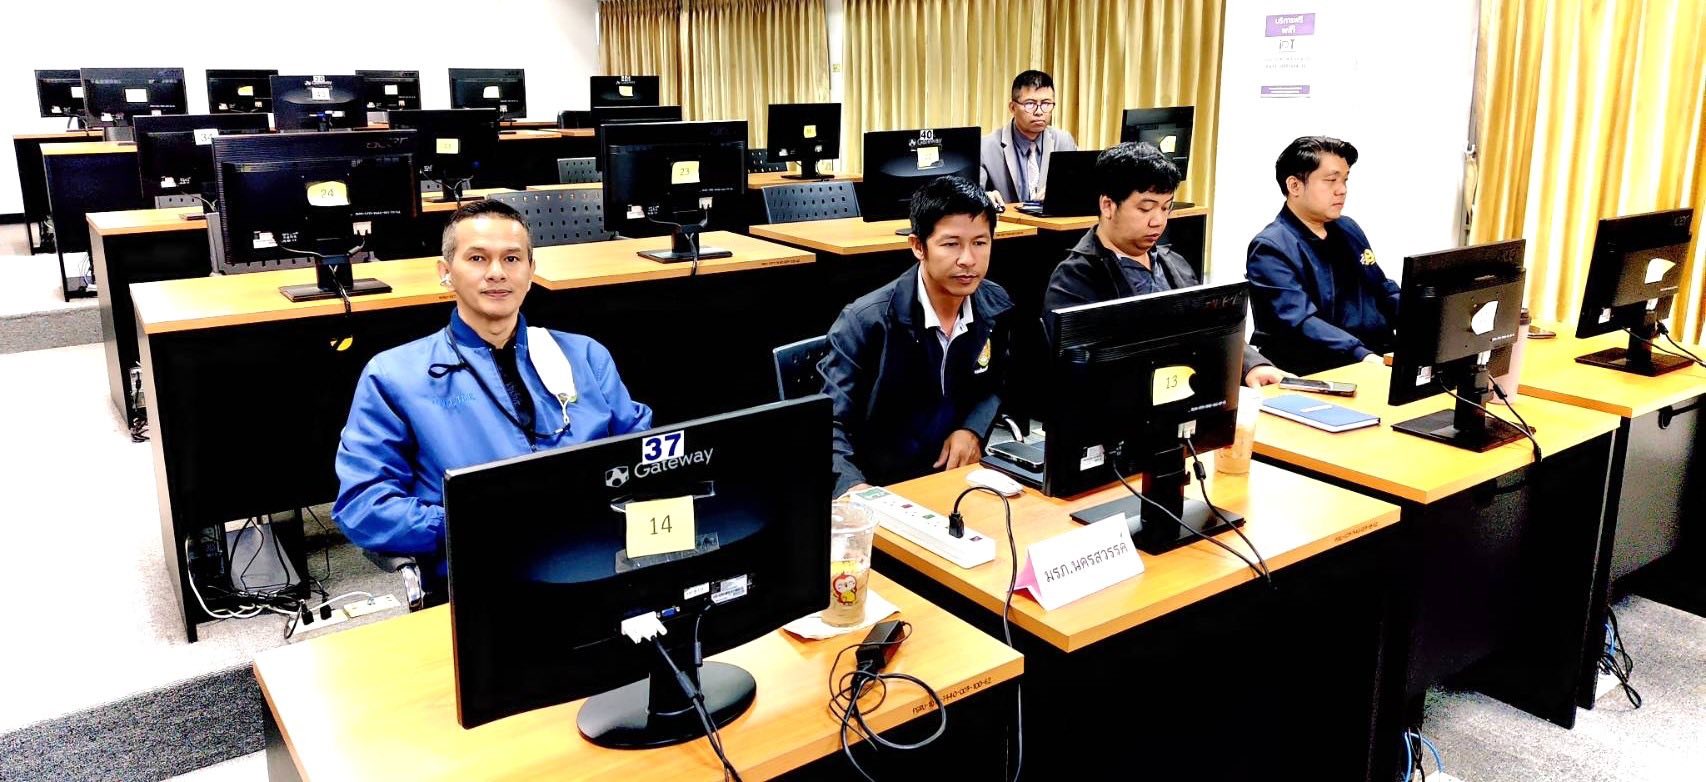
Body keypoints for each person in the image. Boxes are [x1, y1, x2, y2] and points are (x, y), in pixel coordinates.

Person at [333, 200, 652, 597]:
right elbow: (363, 506)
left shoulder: (585, 356)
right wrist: (472, 521)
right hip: (484, 581)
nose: (497, 273)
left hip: (600, 566)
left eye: (512, 258)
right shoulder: (394, 376)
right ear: (445, 273)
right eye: (478, 258)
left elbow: (645, 457)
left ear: (531, 271)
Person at [821, 177, 1013, 498]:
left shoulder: (995, 304)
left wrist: (973, 428)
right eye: (951, 244)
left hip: (953, 482)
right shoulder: (865, 321)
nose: (968, 259)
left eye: (980, 243)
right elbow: (829, 425)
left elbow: (998, 381)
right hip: (879, 485)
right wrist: (853, 489)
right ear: (917, 246)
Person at [1044, 142, 1286, 387]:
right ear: (1108, 206)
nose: (1158, 221)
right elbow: (1079, 371)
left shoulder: (1175, 264)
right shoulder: (1075, 278)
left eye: (1166, 208)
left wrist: (1252, 365)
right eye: (1145, 208)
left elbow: (1211, 328)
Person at [1245, 136, 1400, 375]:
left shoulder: (1348, 228)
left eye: (1345, 180)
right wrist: (1362, 354)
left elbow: (1382, 288)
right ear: (1294, 186)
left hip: (1375, 354)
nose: (1342, 190)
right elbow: (1300, 321)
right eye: (1331, 181)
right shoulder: (1270, 247)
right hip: (1319, 368)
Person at [981, 70, 1079, 204]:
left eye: (1046, 104)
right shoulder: (986, 147)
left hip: (1049, 217)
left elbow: (1076, 188)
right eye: (1030, 104)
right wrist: (985, 197)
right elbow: (971, 195)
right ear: (1012, 107)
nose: (1039, 112)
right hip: (1007, 217)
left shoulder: (1063, 141)